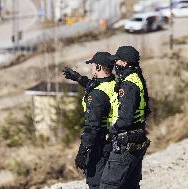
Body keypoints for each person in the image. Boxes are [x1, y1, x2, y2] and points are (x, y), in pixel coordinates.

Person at [63, 52, 118, 189]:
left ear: (99, 67)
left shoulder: (97, 95)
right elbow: (97, 87)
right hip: (114, 140)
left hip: (100, 143)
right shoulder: (115, 83)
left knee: (96, 183)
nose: (91, 69)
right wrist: (78, 78)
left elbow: (92, 127)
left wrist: (83, 152)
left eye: (92, 66)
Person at [100, 46, 150, 189]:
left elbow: (126, 119)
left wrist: (111, 130)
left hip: (125, 143)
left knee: (108, 185)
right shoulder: (135, 78)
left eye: (118, 61)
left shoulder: (128, 84)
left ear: (125, 63)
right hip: (135, 140)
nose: (115, 64)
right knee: (129, 186)